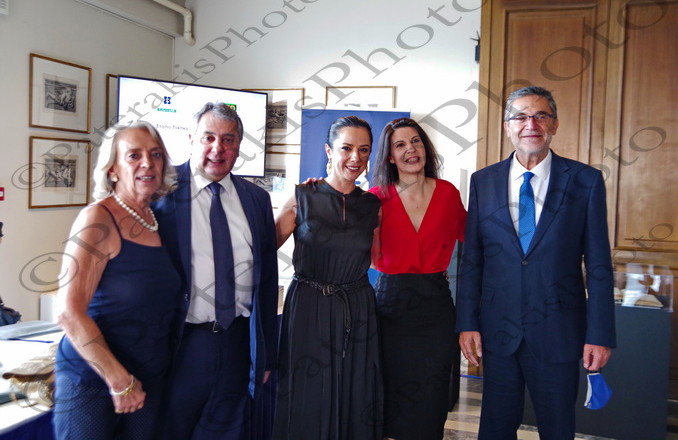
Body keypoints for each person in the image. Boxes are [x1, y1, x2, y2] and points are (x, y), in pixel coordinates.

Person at [456, 86, 616, 439]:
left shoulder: (585, 181)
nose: (531, 124)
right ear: (507, 127)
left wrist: (600, 334)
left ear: (554, 124)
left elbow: (599, 266)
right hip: (498, 332)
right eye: (521, 117)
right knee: (495, 428)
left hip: (559, 331)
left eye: (541, 116)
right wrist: (467, 322)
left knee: (557, 429)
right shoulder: (484, 181)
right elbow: (472, 260)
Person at [152, 102, 279, 439]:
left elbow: (267, 281)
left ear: (239, 145)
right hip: (179, 347)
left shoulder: (256, 199)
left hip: (236, 346)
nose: (217, 148)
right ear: (191, 139)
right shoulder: (159, 192)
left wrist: (265, 357)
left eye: (228, 140)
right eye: (208, 137)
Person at [53, 122, 181, 439]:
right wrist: (119, 381)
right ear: (112, 170)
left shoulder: (158, 219)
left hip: (149, 377)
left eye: (155, 154)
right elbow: (68, 313)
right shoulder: (97, 219)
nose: (147, 163)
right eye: (133, 155)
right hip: (96, 379)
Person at [272, 116, 383, 440]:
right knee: (308, 392)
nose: (355, 157)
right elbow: (262, 249)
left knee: (355, 390)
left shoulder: (373, 205)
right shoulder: (301, 196)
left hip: (358, 308)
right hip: (309, 308)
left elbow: (381, 256)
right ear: (329, 150)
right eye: (346, 148)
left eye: (364, 150)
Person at [369, 117, 467, 440]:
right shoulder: (375, 198)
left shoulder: (449, 193)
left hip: (436, 309)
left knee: (431, 398)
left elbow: (477, 241)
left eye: (416, 141)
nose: (410, 149)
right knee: (390, 395)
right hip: (390, 309)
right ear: (389, 156)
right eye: (400, 145)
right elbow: (354, 248)